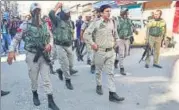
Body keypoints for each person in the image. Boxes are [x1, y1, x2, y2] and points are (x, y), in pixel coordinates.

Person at [7, 3, 60, 110]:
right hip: (32, 55)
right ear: (31, 12)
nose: (37, 12)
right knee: (33, 78)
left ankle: (50, 100)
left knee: (47, 78)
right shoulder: (25, 25)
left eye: (38, 10)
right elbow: (16, 39)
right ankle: (35, 94)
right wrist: (11, 51)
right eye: (35, 10)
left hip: (44, 55)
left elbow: (50, 36)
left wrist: (50, 44)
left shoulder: (45, 24)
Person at [84, 4, 125, 102]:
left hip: (111, 52)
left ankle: (112, 93)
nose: (109, 13)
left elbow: (115, 34)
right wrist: (93, 44)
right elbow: (86, 34)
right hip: (100, 52)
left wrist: (117, 42)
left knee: (110, 73)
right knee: (99, 71)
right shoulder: (96, 23)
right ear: (101, 13)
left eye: (110, 11)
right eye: (107, 11)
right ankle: (98, 85)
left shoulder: (113, 22)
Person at [49, 2, 78, 90]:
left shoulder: (70, 21)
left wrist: (74, 41)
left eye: (69, 12)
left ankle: (60, 71)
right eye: (67, 13)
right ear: (63, 13)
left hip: (69, 45)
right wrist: (57, 6)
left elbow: (71, 33)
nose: (68, 14)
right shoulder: (57, 20)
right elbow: (50, 14)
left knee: (71, 64)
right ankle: (68, 81)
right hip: (60, 45)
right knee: (65, 63)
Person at [115, 8, 138, 75]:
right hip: (120, 39)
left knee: (126, 54)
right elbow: (114, 30)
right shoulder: (117, 20)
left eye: (127, 13)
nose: (127, 14)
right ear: (122, 13)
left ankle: (116, 60)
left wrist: (135, 30)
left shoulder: (129, 20)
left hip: (127, 39)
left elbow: (132, 26)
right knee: (121, 54)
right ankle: (122, 68)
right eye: (126, 13)